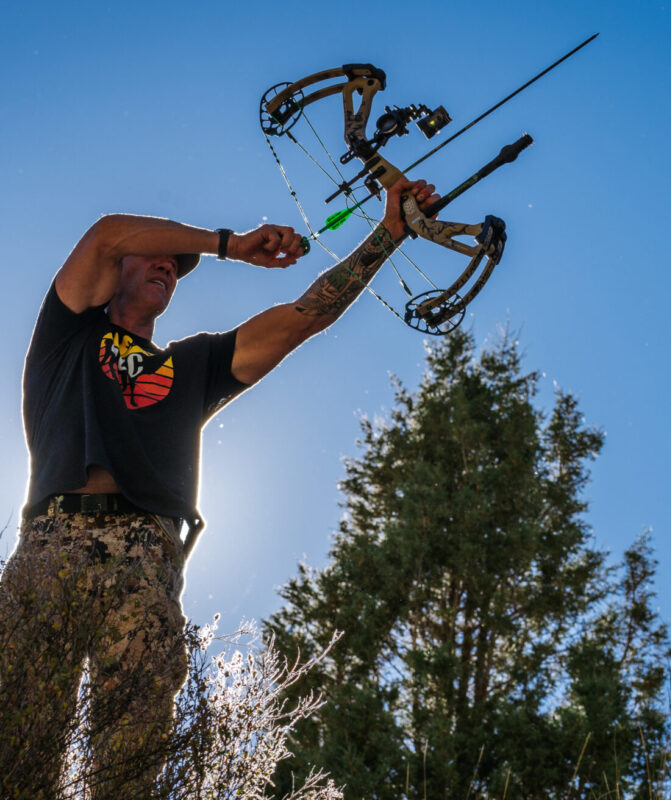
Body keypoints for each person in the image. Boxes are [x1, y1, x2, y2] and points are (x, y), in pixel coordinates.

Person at [0, 177, 439, 799]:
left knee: (127, 771)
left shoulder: (194, 365)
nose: (167, 268)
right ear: (116, 270)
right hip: (53, 549)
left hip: (146, 566)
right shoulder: (66, 336)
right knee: (17, 755)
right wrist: (226, 245)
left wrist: (388, 234)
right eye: (154, 256)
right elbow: (104, 235)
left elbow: (302, 317)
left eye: (177, 269)